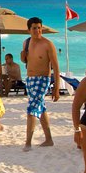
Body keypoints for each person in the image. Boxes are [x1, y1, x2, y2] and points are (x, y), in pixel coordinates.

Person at [20, 17, 59, 151]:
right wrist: (23, 55)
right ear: (29, 30)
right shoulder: (26, 42)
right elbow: (25, 60)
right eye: (34, 28)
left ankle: (28, 143)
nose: (37, 30)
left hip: (42, 80)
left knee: (32, 109)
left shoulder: (48, 44)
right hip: (30, 79)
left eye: (39, 27)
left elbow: (56, 67)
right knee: (40, 109)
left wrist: (57, 88)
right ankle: (49, 139)